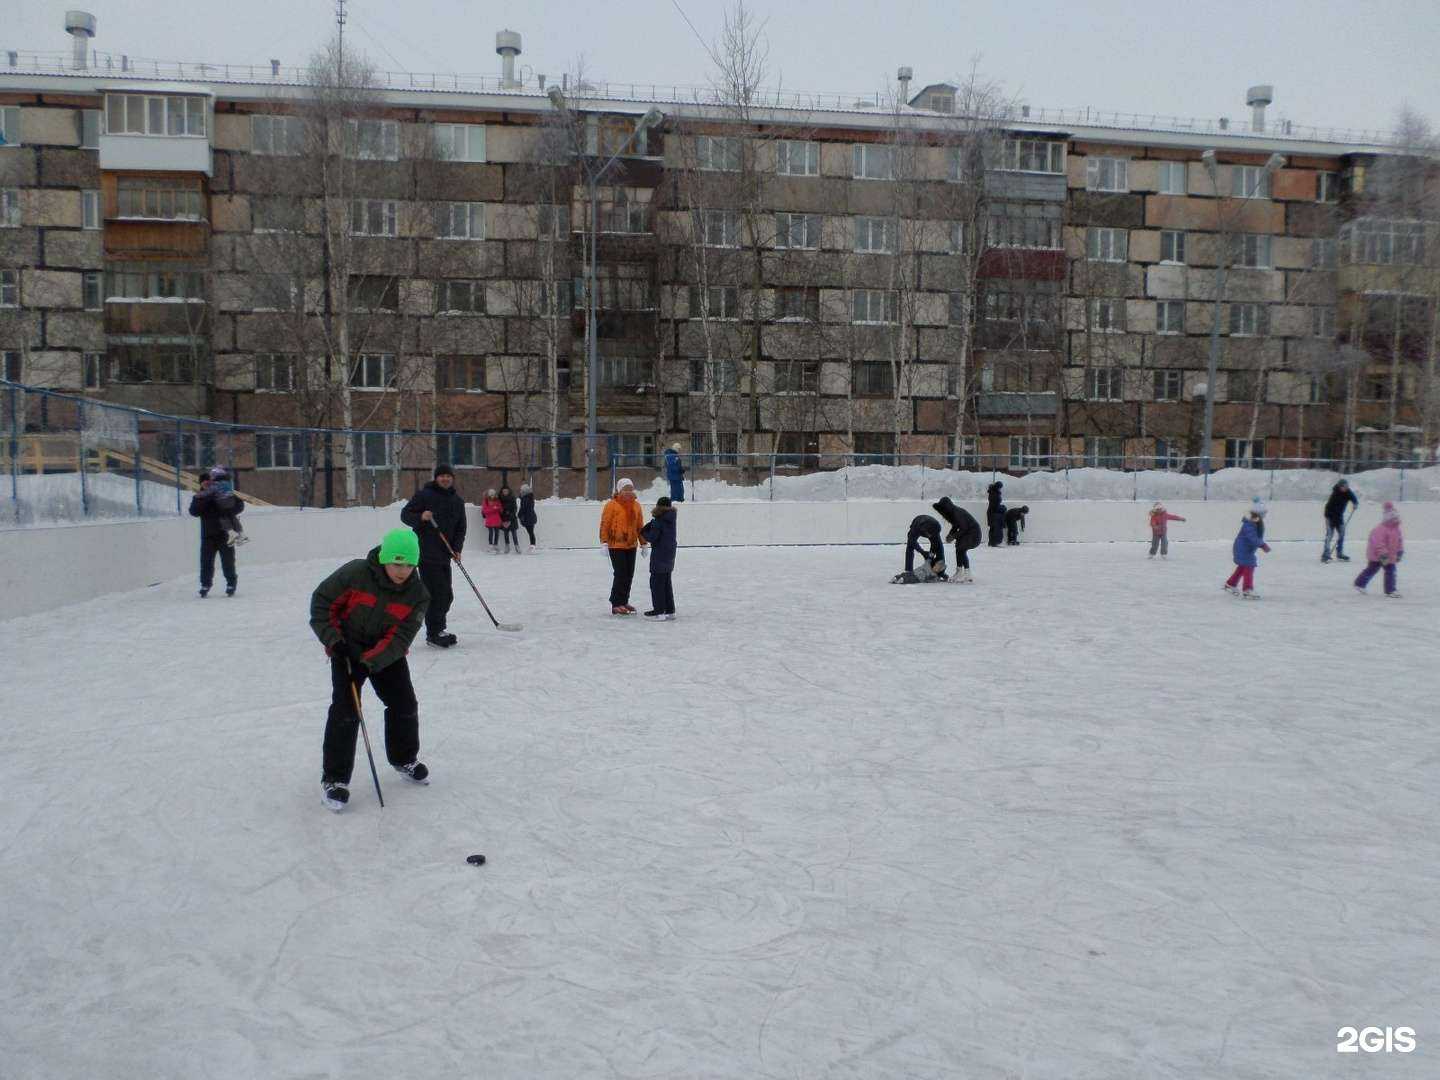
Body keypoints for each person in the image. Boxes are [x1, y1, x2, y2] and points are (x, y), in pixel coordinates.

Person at [308, 528, 431, 812]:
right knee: (346, 710)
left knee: (404, 704)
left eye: (409, 564)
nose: (403, 570)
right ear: (385, 558)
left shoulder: (417, 594)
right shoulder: (355, 574)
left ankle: (404, 758)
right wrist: (335, 643)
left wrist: (369, 661)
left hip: (386, 653)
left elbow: (401, 637)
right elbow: (321, 605)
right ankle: (335, 779)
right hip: (345, 647)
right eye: (397, 563)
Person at [400, 463, 467, 648]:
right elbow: (405, 515)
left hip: (445, 554)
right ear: (436, 478)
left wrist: (457, 549)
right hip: (427, 554)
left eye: (448, 476)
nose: (445, 478)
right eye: (441, 476)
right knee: (437, 594)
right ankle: (434, 632)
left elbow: (461, 527)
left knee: (446, 595)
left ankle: (438, 629)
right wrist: (421, 517)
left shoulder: (457, 501)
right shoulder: (425, 495)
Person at [188, 469, 244, 597]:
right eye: (204, 482)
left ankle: (231, 583)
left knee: (228, 561)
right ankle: (205, 584)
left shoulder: (223, 492)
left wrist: (229, 510)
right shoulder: (199, 497)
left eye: (209, 481)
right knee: (206, 562)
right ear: (201, 484)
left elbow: (239, 505)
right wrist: (207, 498)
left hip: (226, 533)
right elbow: (193, 512)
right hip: (208, 535)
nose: (206, 483)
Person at [600, 477, 647, 615]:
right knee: (620, 574)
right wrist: (604, 542)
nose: (628, 492)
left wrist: (643, 543)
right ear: (619, 490)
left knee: (629, 575)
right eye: (625, 489)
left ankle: (624, 601)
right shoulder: (611, 505)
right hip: (616, 545)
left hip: (631, 545)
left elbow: (640, 526)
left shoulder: (636, 505)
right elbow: (605, 524)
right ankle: (616, 603)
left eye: (630, 489)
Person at [1354, 501, 1404, 598]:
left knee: (1390, 571)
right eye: (1393, 519)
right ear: (1388, 519)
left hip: (1390, 555)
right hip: (1377, 555)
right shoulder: (1380, 529)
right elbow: (1378, 543)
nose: (1396, 521)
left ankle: (1389, 589)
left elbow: (1399, 541)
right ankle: (1360, 584)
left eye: (1396, 519)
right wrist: (1383, 555)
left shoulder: (1397, 529)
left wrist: (1400, 551)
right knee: (1373, 569)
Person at [641, 495, 678, 619]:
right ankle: (669, 610)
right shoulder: (671, 518)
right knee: (666, 583)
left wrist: (643, 531)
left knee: (656, 583)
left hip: (659, 555)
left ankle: (659, 611)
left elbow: (652, 537)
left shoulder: (659, 520)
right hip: (669, 555)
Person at [1224, 503, 1271, 599]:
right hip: (1242, 549)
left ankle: (1230, 584)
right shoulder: (1249, 524)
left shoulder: (1255, 521)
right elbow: (1252, 537)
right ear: (1258, 514)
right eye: (1263, 514)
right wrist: (1262, 545)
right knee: (1249, 566)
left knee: (1243, 566)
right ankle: (1247, 589)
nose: (1265, 516)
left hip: (1246, 549)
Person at [932, 496, 980, 582]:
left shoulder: (956, 513)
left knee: (961, 549)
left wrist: (953, 536)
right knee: (960, 549)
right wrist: (951, 534)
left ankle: (964, 572)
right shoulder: (954, 512)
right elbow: (956, 525)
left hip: (973, 534)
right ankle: (963, 572)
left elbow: (963, 527)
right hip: (970, 532)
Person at [207, 466, 248, 546]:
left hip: (222, 501)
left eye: (212, 475)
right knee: (231, 516)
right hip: (231, 501)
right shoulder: (227, 482)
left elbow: (212, 492)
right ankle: (241, 534)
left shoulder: (216, 483)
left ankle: (231, 532)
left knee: (222, 516)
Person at [1322, 478, 1359, 563]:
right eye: (1344, 486)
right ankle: (1326, 554)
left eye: (1347, 486)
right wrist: (1332, 520)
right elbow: (1330, 508)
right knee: (1330, 535)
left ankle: (1339, 553)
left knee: (1342, 534)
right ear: (1340, 486)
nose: (1346, 488)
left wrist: (1355, 503)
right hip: (1330, 516)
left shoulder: (1348, 492)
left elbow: (1353, 498)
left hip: (1339, 516)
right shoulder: (1335, 494)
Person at [498, 484, 520, 553]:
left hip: (512, 518)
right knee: (506, 533)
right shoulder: (500, 499)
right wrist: (503, 516)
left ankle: (517, 546)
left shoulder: (512, 498)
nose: (505, 492)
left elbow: (515, 508)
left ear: (508, 491)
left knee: (514, 534)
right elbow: (499, 509)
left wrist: (510, 516)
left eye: (506, 491)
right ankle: (507, 546)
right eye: (503, 491)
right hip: (504, 518)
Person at [481, 488, 502, 553]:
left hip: (497, 519)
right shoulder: (486, 501)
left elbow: (500, 509)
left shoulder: (497, 501)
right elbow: (484, 511)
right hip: (489, 520)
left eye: (493, 495)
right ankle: (490, 545)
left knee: (497, 533)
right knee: (491, 533)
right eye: (491, 495)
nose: (492, 496)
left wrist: (495, 509)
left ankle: (495, 545)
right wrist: (493, 509)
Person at [518, 482, 538, 549]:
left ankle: (533, 545)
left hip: (528, 517)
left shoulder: (525, 499)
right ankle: (532, 545)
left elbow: (523, 508)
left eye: (521, 491)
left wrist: (519, 514)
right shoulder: (529, 498)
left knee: (530, 532)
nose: (520, 492)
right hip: (531, 517)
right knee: (531, 532)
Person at [986, 480, 1006, 547]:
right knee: (996, 528)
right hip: (994, 513)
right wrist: (1003, 508)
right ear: (998, 487)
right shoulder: (995, 494)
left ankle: (991, 542)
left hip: (991, 512)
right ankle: (994, 542)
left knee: (993, 528)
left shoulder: (992, 492)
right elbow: (995, 506)